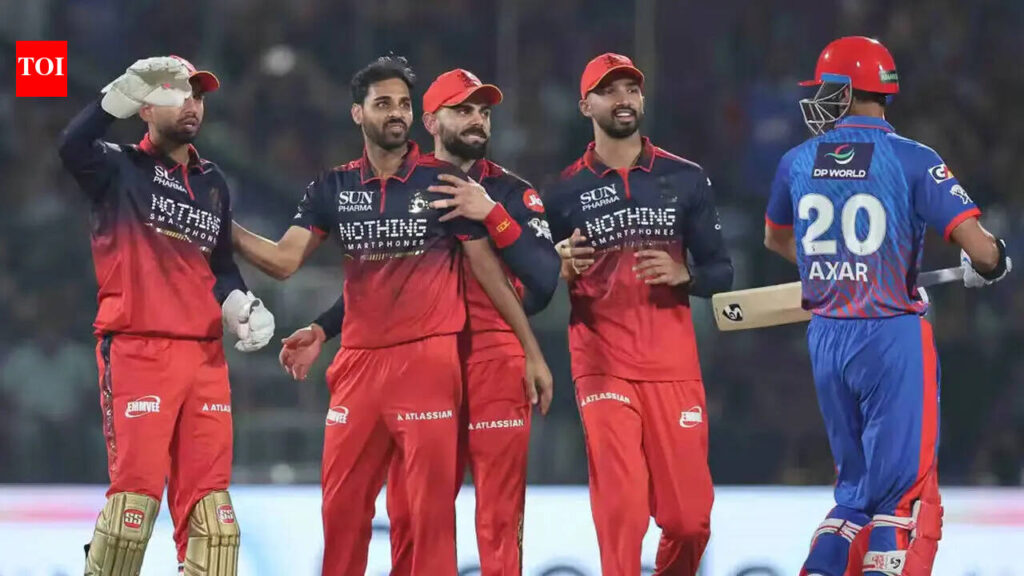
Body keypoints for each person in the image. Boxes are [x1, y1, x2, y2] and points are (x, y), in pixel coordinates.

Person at [230, 56, 550, 576]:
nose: (397, 113)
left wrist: (530, 350)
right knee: (341, 514)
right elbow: (286, 261)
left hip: (427, 363)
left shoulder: (444, 181)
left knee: (427, 520)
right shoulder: (331, 187)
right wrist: (224, 227)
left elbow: (489, 272)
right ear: (358, 113)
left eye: (404, 103)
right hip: (356, 367)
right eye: (384, 104)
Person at [763, 36, 1012, 576]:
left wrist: (839, 269)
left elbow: (776, 238)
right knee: (903, 500)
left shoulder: (796, 161)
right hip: (890, 337)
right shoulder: (914, 159)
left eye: (825, 88)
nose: (820, 98)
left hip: (827, 336)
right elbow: (981, 250)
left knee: (853, 495)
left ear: (846, 89)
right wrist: (993, 263)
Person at [57, 56, 275, 576]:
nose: (191, 104)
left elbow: (220, 267)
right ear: (146, 107)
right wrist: (114, 98)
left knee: (215, 527)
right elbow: (71, 146)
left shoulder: (214, 182)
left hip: (205, 359)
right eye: (177, 93)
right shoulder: (116, 167)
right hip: (138, 350)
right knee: (131, 516)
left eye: (197, 95)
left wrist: (241, 304)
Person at [545, 53, 733, 575]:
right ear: (586, 106)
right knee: (622, 512)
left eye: (631, 89)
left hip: (673, 367)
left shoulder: (685, 178)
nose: (623, 99)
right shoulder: (562, 193)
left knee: (689, 522)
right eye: (609, 91)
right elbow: (530, 279)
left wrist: (684, 274)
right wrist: (555, 264)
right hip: (601, 365)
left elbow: (721, 271)